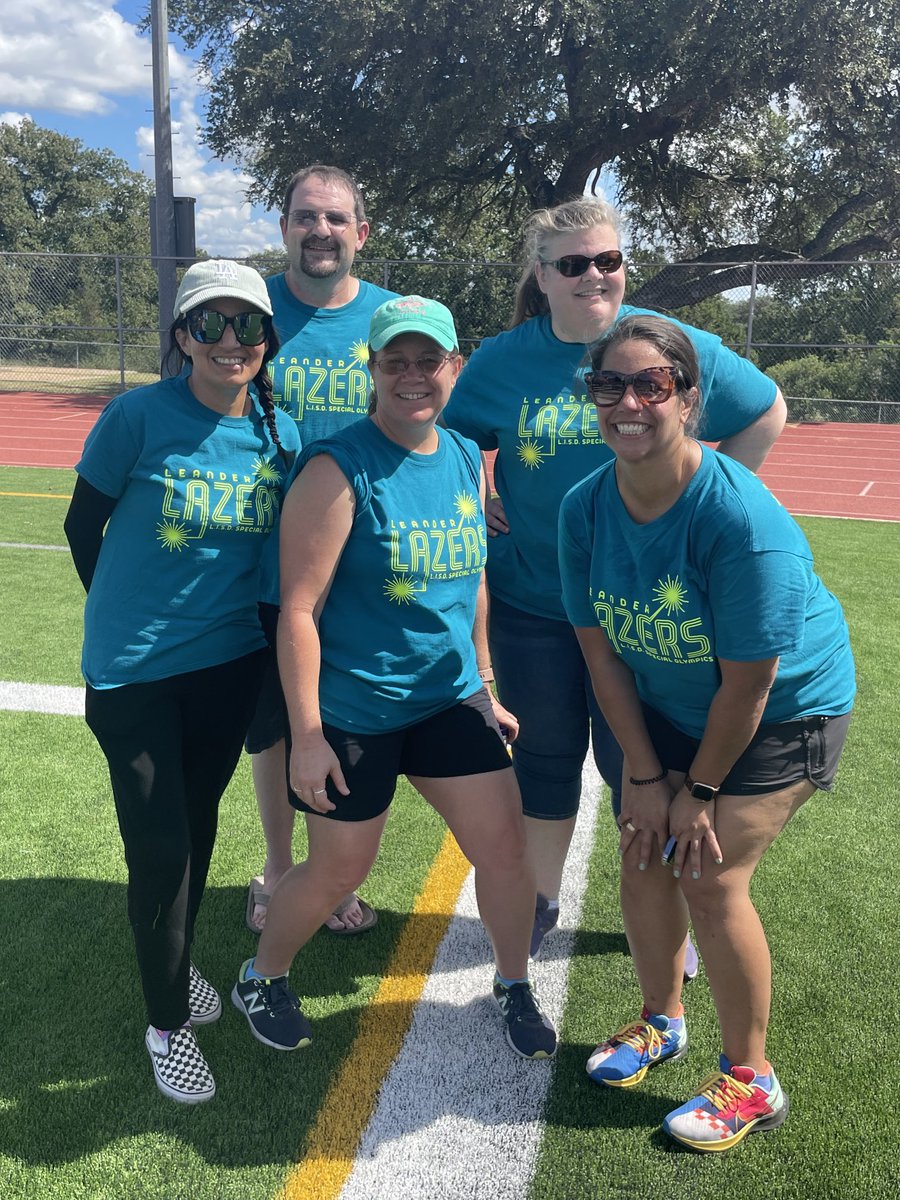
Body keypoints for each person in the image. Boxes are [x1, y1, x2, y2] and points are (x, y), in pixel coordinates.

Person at [443, 197, 788, 969]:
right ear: (543, 275)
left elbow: (767, 409)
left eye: (609, 259)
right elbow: (450, 442)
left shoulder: (666, 343)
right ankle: (540, 902)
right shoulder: (503, 359)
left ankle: (675, 915)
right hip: (534, 602)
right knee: (545, 756)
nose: (596, 275)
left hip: (639, 614)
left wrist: (700, 506)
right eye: (574, 264)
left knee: (651, 765)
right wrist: (480, 495)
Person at [230, 296, 558, 1061]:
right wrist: (307, 737)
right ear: (372, 369)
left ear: (454, 366)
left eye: (428, 360)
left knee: (507, 849)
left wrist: (483, 677)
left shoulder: (462, 456)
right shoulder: (338, 467)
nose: (413, 375)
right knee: (341, 866)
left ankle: (512, 983)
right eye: (395, 361)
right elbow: (299, 612)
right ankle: (263, 974)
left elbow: (472, 578)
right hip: (356, 710)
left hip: (447, 697)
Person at [558, 314, 854, 1150]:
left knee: (708, 872)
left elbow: (751, 682)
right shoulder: (585, 506)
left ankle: (751, 1079)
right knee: (642, 843)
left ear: (688, 398)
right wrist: (648, 781)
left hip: (785, 710)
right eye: (609, 384)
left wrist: (702, 791)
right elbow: (600, 654)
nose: (627, 402)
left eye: (650, 383)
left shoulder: (739, 522)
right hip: (670, 702)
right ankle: (661, 1019)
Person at [64, 260, 300, 1105]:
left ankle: (178, 968)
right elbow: (82, 525)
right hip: (133, 676)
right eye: (210, 324)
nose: (229, 341)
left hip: (229, 668)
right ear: (181, 337)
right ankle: (165, 1021)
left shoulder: (283, 434)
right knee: (159, 848)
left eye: (246, 325)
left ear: (268, 342)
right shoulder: (137, 416)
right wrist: (131, 615)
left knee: (195, 831)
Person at [245, 164, 398, 937]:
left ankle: (328, 870)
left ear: (360, 233)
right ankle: (279, 869)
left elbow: (432, 417)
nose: (321, 232)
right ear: (284, 227)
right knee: (275, 727)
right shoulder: (248, 311)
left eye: (337, 219)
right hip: (268, 562)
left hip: (366, 568)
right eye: (306, 217)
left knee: (339, 721)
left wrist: (483, 495)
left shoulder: (390, 318)